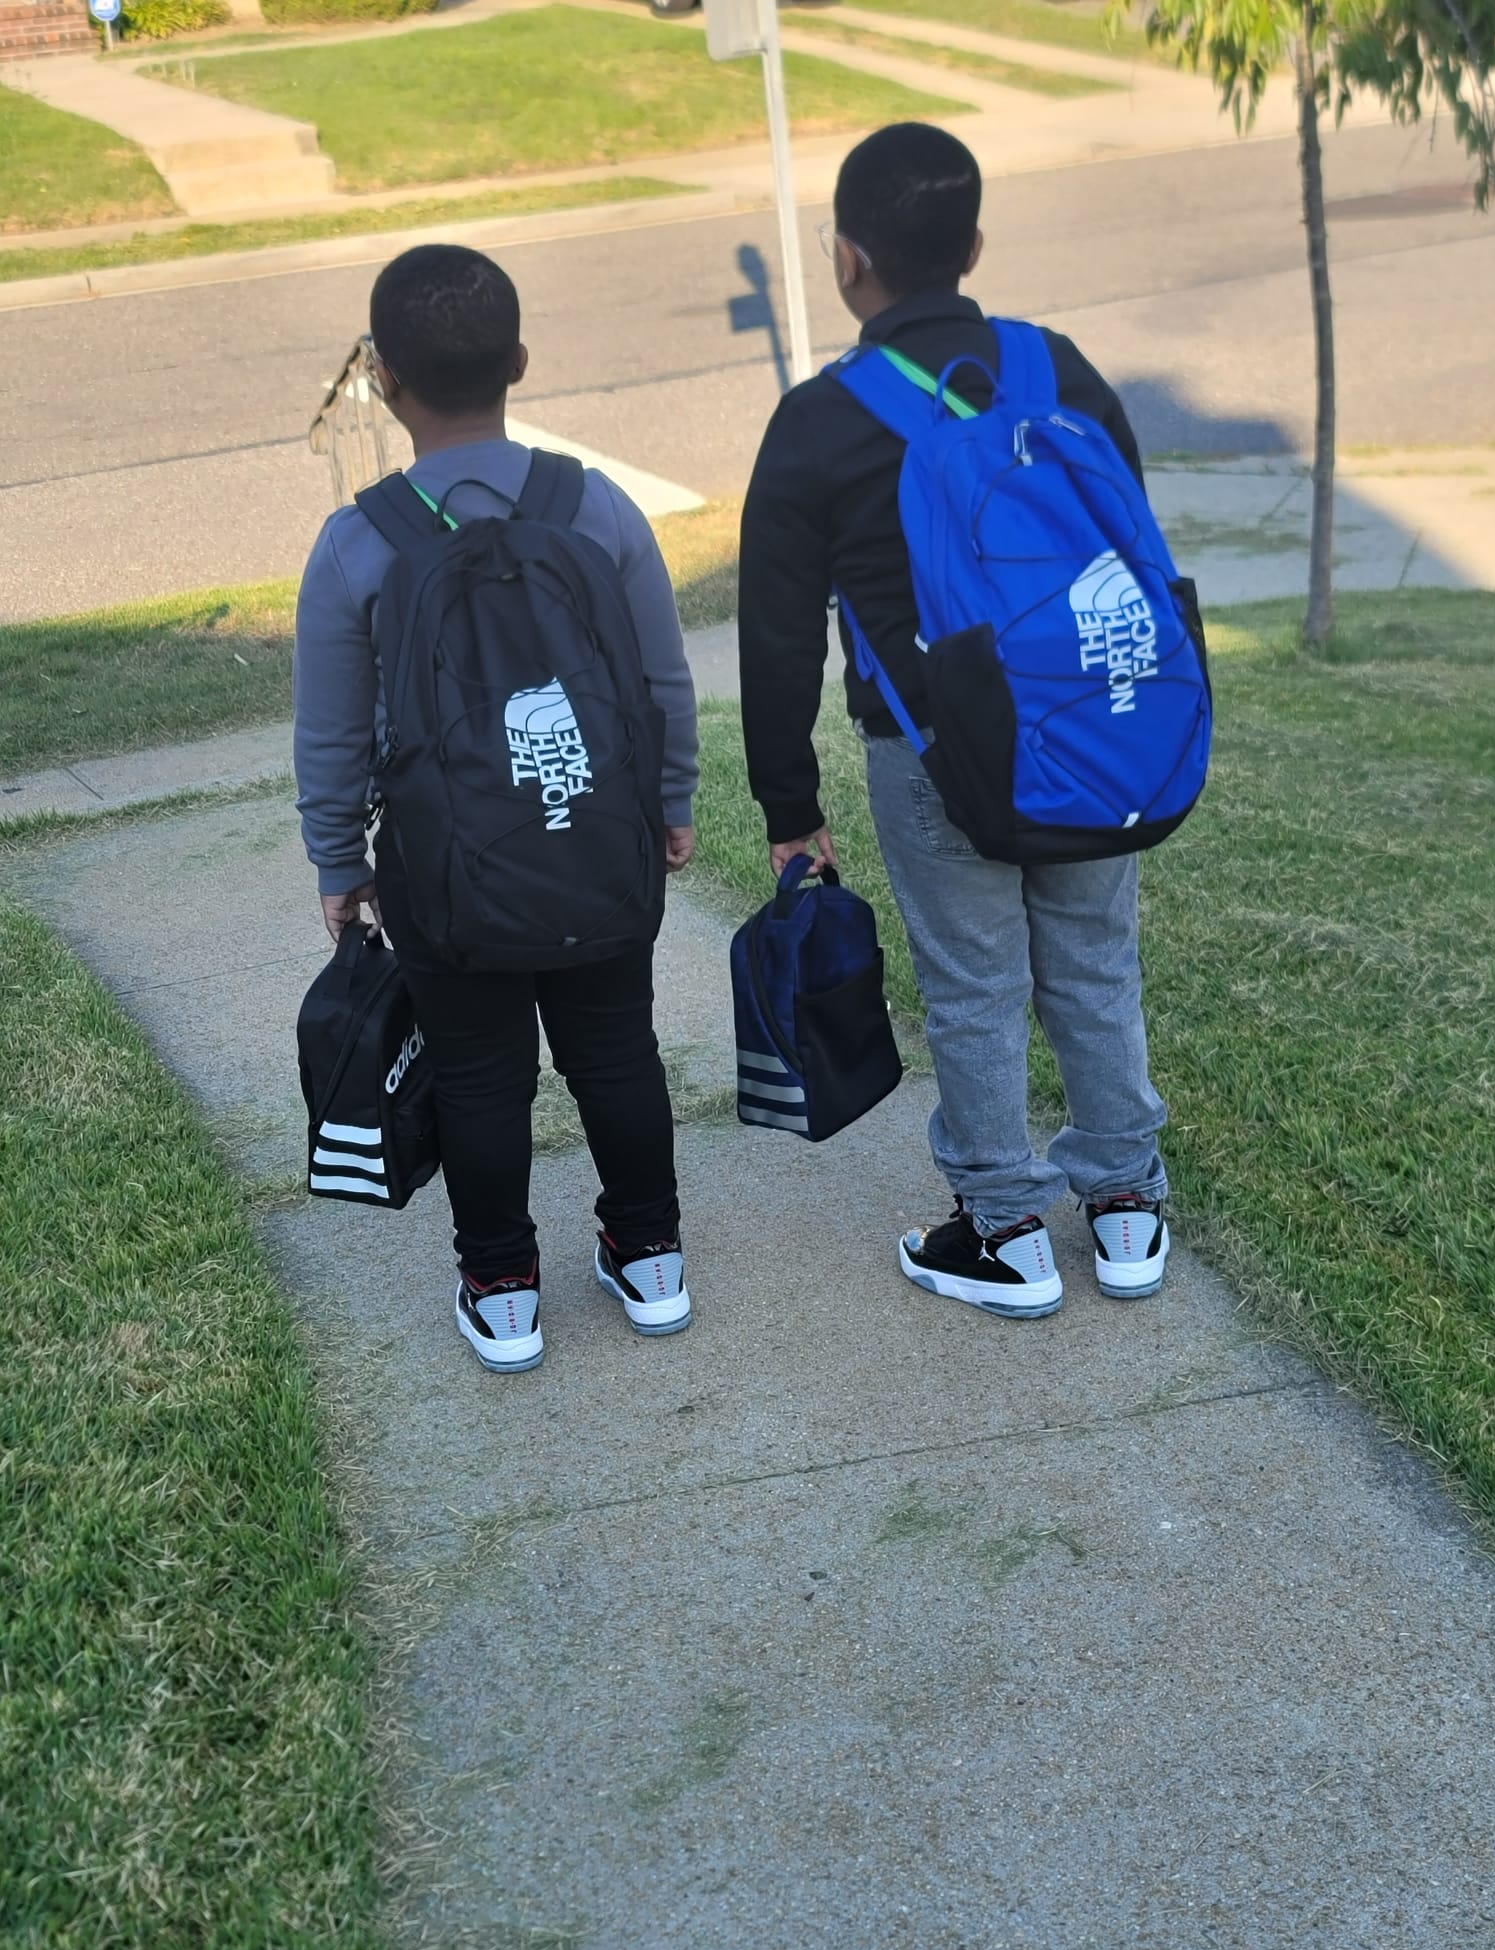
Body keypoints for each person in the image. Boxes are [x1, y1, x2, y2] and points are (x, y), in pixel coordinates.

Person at [738, 124, 1169, 1320]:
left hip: (929, 749)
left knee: (975, 984)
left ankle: (1004, 1230)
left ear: (845, 258)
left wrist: (789, 808)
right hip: (1087, 730)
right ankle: (1126, 1207)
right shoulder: (1056, 367)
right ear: (974, 245)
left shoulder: (818, 421)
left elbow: (776, 635)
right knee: (1094, 962)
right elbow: (1130, 543)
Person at [293, 244, 698, 1375]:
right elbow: (661, 683)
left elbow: (331, 734)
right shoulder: (597, 508)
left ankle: (502, 1288)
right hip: (599, 844)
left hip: (444, 871)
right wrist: (668, 804)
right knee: (617, 1051)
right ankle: (651, 1259)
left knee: (478, 1073)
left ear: (382, 379)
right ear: (519, 361)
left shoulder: (359, 541)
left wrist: (340, 863)